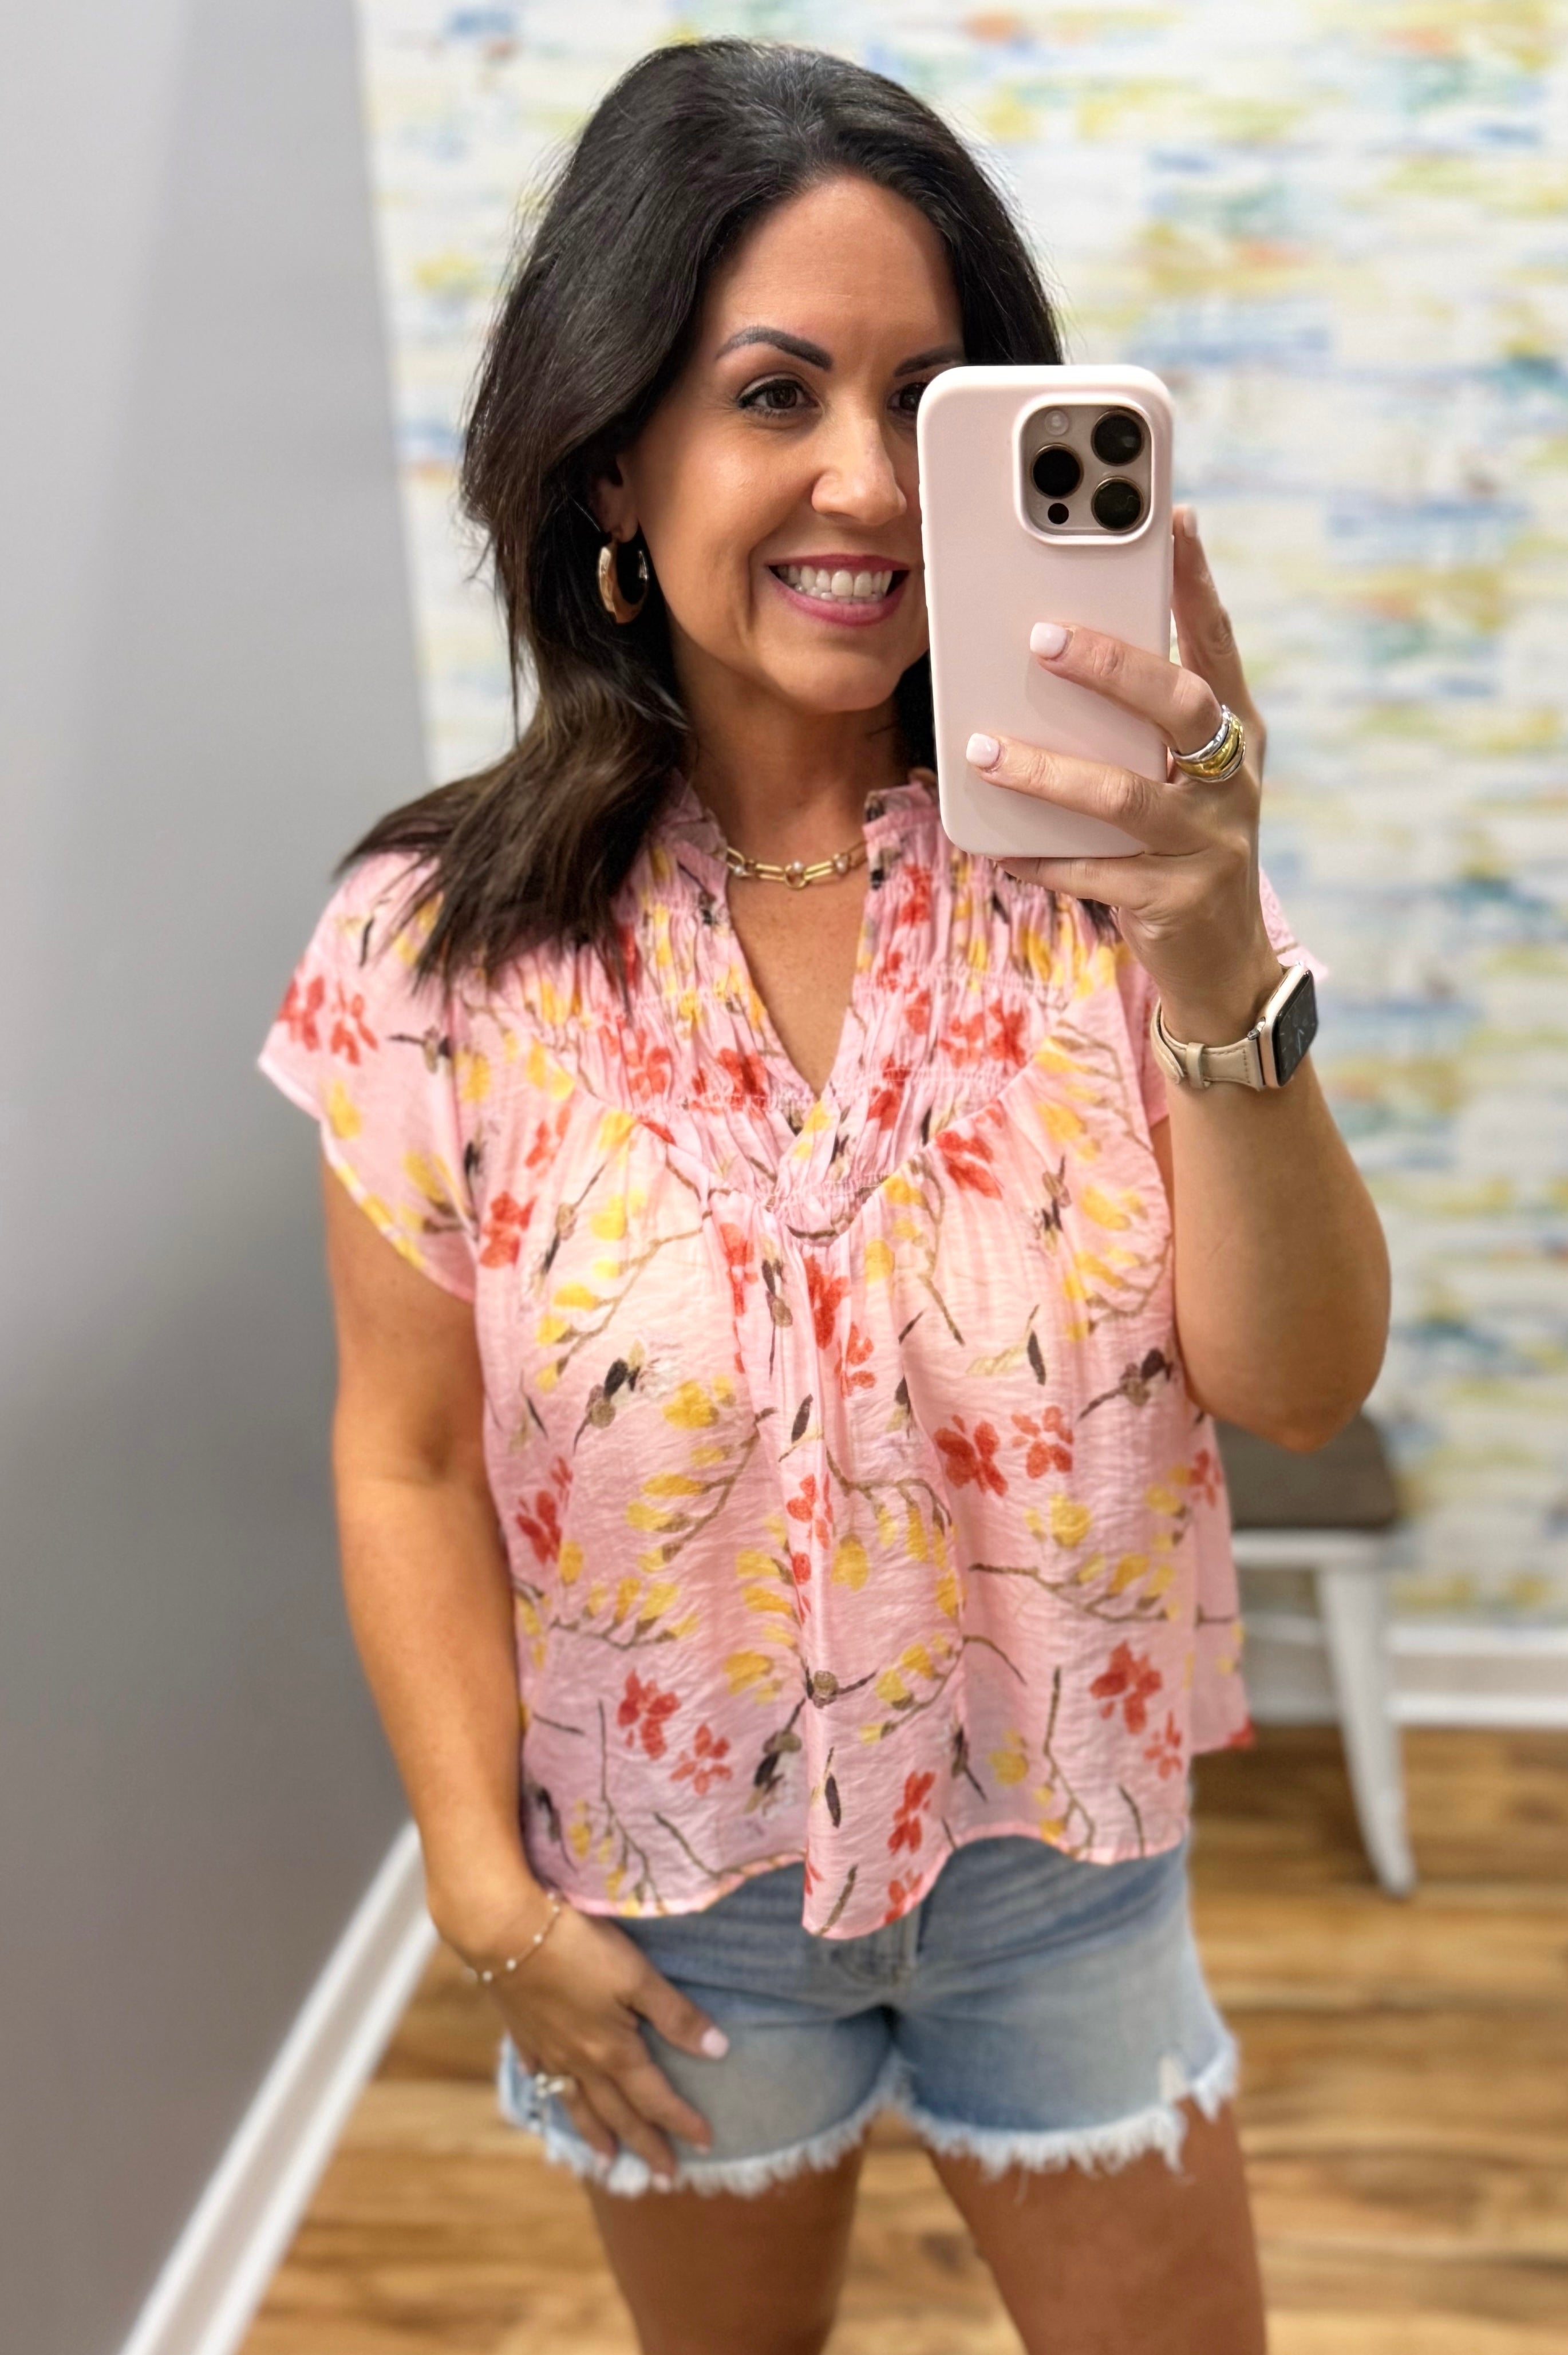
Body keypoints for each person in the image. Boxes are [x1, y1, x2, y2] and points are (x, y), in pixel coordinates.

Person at [258, 37, 1389, 2355]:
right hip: (668, 1908)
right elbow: (404, 1452)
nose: (862, 482)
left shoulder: (1111, 891)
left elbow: (1296, 1390)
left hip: (1060, 1873)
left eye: (935, 401)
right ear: (611, 454)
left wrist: (1211, 928)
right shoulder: (429, 943)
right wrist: (483, 1893)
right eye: (772, 394)